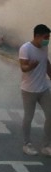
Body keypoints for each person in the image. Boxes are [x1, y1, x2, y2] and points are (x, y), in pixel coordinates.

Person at [20, 23, 51, 156]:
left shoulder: (44, 47)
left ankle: (46, 145)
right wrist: (31, 66)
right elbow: (23, 67)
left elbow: (46, 62)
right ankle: (27, 144)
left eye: (48, 37)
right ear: (37, 36)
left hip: (43, 88)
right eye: (46, 37)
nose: (47, 39)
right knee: (28, 117)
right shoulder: (26, 48)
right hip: (29, 90)